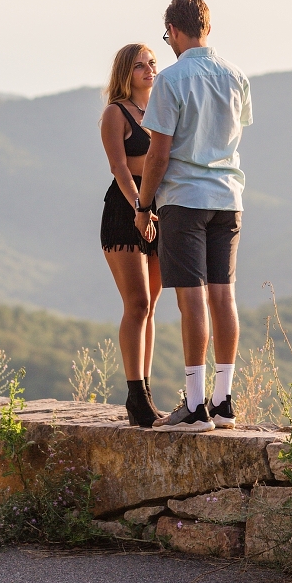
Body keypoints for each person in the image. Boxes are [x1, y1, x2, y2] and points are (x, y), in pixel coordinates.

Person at [134, 0, 252, 432]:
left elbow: (158, 156)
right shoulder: (236, 76)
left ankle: (195, 404)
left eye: (167, 36)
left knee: (192, 297)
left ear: (176, 31)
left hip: (184, 200)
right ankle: (223, 401)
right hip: (228, 197)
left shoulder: (171, 80)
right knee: (224, 294)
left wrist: (144, 207)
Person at [100, 43, 163, 428]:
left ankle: (147, 392)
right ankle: (134, 394)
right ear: (126, 72)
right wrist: (140, 206)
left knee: (152, 306)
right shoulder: (115, 113)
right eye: (139, 65)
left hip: (159, 211)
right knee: (136, 303)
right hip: (127, 211)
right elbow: (119, 166)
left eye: (152, 62)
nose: (148, 69)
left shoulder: (160, 112)